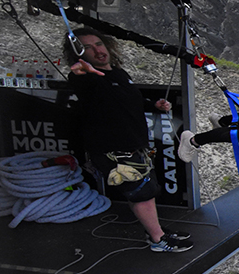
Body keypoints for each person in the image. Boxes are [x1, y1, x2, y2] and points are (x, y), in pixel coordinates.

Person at [64, 27, 193, 253]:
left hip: (131, 145)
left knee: (142, 190)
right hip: (114, 149)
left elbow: (127, 99)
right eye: (86, 47)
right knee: (141, 192)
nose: (96, 50)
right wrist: (79, 72)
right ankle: (158, 240)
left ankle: (156, 231)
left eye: (98, 44)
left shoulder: (118, 74)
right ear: (78, 54)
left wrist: (153, 105)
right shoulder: (86, 79)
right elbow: (79, 83)